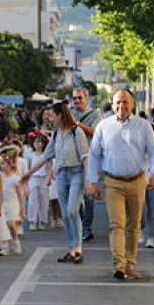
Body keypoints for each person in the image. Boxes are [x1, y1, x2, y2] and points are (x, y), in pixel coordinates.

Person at [86, 88, 154, 279]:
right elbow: (94, 155)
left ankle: (131, 263)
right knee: (116, 224)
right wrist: (92, 181)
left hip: (137, 181)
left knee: (133, 226)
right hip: (113, 182)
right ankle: (119, 264)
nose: (122, 106)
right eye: (118, 102)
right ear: (112, 104)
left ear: (132, 104)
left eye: (125, 102)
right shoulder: (103, 127)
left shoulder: (143, 126)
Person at [23, 102, 89, 263]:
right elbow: (46, 156)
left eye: (52, 115)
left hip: (76, 174)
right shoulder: (56, 134)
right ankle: (72, 248)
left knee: (73, 211)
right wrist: (28, 175)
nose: (50, 119)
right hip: (61, 175)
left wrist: (88, 180)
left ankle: (78, 249)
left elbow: (85, 157)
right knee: (66, 214)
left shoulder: (76, 132)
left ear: (60, 115)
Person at [71, 87, 102, 242]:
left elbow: (95, 132)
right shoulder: (70, 113)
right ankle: (78, 225)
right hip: (72, 159)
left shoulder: (94, 115)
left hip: (88, 160)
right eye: (75, 98)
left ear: (86, 98)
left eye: (80, 98)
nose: (77, 101)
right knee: (75, 196)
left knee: (88, 196)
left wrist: (77, 124)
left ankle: (87, 227)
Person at [0, 149, 25, 256]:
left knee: (11, 224)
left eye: (3, 164)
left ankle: (15, 241)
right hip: (2, 204)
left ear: (9, 165)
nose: (1, 166)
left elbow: (20, 194)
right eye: (0, 164)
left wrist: (22, 209)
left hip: (13, 204)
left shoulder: (15, 178)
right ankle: (4, 246)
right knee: (3, 225)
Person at [25, 131, 50, 230]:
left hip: (44, 178)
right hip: (33, 178)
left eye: (39, 142)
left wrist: (49, 176)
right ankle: (32, 221)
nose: (37, 144)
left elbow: (50, 166)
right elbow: (28, 167)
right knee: (32, 200)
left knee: (44, 200)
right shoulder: (30, 155)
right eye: (35, 142)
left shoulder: (46, 155)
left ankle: (43, 220)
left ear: (43, 144)